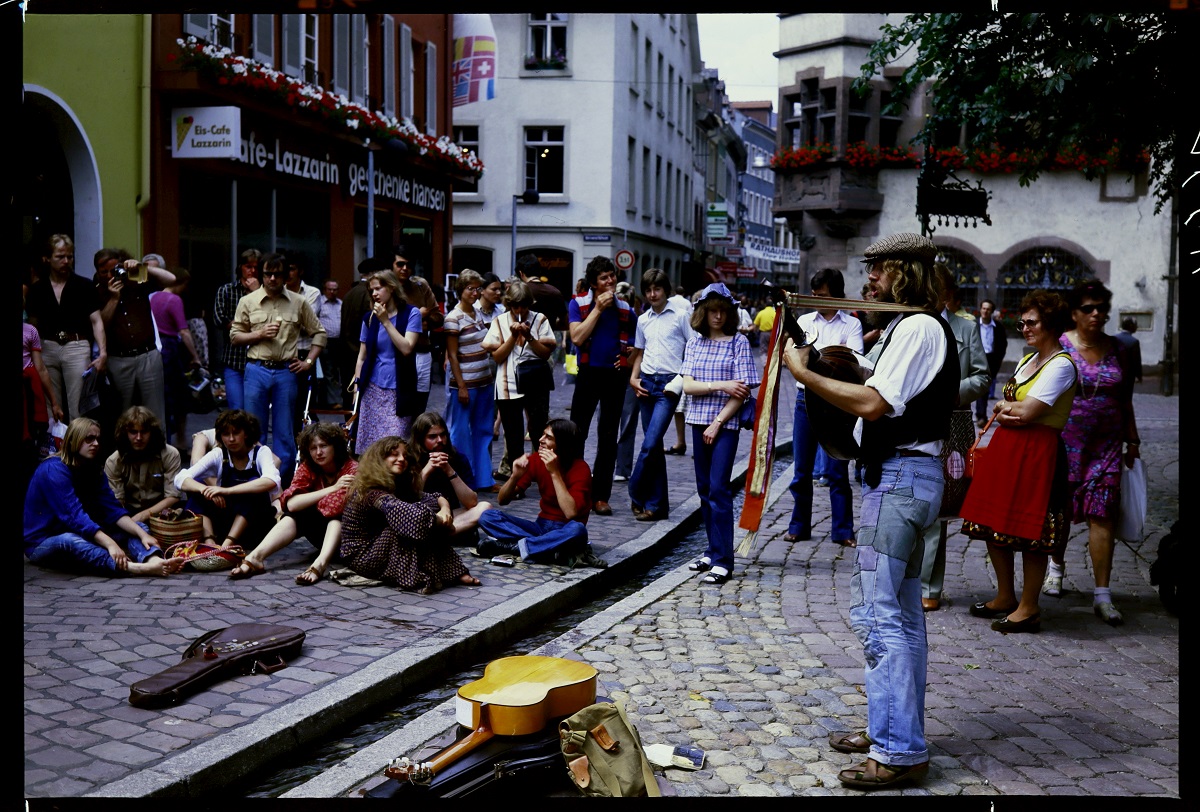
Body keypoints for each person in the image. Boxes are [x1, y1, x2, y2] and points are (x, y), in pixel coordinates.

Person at [783, 232, 956, 790]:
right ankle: (888, 728)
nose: (871, 278)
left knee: (880, 619)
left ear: (905, 272)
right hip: (905, 476)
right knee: (900, 616)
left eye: (879, 269)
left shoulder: (919, 326)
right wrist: (840, 367)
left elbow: (876, 404)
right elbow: (871, 386)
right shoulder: (910, 327)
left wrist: (807, 375)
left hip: (902, 479)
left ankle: (899, 750)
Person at [959, 291, 1077, 633]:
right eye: (1022, 322)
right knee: (994, 523)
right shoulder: (1029, 360)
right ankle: (1005, 596)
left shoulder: (1061, 365)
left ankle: (1029, 607)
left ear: (1051, 324)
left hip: (1039, 454)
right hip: (1007, 450)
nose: (1024, 327)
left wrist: (1009, 411)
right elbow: (1003, 404)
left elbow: (1026, 411)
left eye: (1032, 322)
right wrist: (1010, 411)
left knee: (1032, 531)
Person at [1048, 281, 1141, 626]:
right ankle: (1055, 568)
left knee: (1103, 515)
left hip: (1106, 446)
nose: (1096, 314)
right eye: (1088, 308)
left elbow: (1125, 398)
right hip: (1065, 441)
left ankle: (1102, 594)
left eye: (1101, 307)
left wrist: (1133, 440)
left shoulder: (1120, 349)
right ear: (1074, 313)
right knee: (1060, 511)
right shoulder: (1059, 346)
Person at [24, 417, 183, 577]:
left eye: (97, 439)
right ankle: (132, 567)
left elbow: (113, 510)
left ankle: (153, 560)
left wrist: (143, 535)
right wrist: (110, 543)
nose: (96, 444)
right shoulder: (53, 469)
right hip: (43, 542)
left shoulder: (93, 468)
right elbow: (75, 517)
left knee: (137, 526)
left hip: (83, 531)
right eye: (89, 439)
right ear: (74, 439)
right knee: (69, 540)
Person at [918, 267, 990, 612]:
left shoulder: (965, 327)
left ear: (947, 294)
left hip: (952, 423)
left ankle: (928, 585)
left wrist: (950, 394)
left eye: (937, 288)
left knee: (938, 504)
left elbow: (982, 377)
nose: (931, 294)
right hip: (912, 422)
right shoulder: (910, 325)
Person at [681, 283, 759, 586]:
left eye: (722, 311)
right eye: (712, 310)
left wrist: (717, 421)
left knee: (719, 489)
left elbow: (741, 391)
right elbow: (688, 386)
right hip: (697, 420)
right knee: (704, 489)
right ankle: (712, 550)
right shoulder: (695, 343)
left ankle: (725, 560)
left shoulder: (738, 342)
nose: (717, 316)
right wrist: (720, 385)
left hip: (723, 425)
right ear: (703, 312)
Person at [338, 435, 481, 594]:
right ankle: (424, 576)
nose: (401, 459)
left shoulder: (397, 482)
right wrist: (441, 522)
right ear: (379, 459)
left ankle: (452, 572)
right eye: (394, 454)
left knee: (419, 519)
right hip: (362, 555)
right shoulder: (370, 491)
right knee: (407, 526)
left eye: (405, 456)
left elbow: (433, 497)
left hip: (382, 546)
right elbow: (413, 518)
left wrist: (445, 509)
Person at [785, 268, 864, 547]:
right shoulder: (805, 320)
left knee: (837, 469)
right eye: (815, 295)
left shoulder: (851, 324)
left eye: (823, 296)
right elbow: (792, 359)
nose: (818, 300)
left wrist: (818, 361)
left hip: (836, 404)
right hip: (805, 400)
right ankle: (798, 525)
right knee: (801, 470)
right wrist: (831, 355)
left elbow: (851, 362)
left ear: (837, 296)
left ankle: (843, 530)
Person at [230, 252, 327, 479]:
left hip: (286, 371)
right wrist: (259, 334)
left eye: (277, 274)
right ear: (261, 275)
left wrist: (308, 362)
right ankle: (254, 480)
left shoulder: (298, 301)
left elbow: (320, 334)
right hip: (256, 369)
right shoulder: (248, 301)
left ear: (285, 276)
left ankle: (282, 484)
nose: (272, 279)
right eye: (268, 274)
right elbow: (235, 337)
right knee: (254, 430)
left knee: (285, 432)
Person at [227, 422, 357, 585]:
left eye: (323, 446)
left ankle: (319, 564)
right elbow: (291, 504)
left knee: (335, 518)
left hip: (347, 540)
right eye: (313, 448)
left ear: (336, 447)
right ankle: (255, 557)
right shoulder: (309, 467)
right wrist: (332, 489)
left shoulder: (351, 469)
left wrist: (308, 499)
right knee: (295, 514)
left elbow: (334, 508)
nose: (318, 452)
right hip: (320, 533)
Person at [477, 418, 606, 567]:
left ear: (562, 444)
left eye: (548, 437)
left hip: (565, 530)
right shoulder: (538, 460)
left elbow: (570, 513)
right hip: (540, 528)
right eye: (543, 434)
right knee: (487, 517)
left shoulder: (581, 469)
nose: (540, 439)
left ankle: (516, 548)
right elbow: (502, 500)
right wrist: (515, 476)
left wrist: (554, 473)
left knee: (578, 530)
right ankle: (546, 548)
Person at [567, 256, 636, 516]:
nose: (610, 281)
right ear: (594, 284)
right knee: (577, 432)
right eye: (604, 278)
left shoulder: (625, 308)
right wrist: (597, 309)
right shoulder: (579, 303)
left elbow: (637, 342)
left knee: (608, 436)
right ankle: (576, 491)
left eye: (612, 276)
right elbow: (576, 337)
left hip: (614, 376)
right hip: (588, 372)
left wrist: (628, 356)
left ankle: (601, 496)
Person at [627, 269, 694, 522]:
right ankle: (656, 505)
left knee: (650, 442)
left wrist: (679, 379)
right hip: (645, 384)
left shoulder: (680, 317)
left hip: (668, 386)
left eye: (657, 289)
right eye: (648, 290)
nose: (653, 294)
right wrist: (633, 378)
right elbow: (640, 353)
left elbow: (693, 350)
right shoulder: (643, 319)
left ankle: (635, 490)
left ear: (666, 289)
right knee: (653, 448)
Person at [24, 234, 108, 424]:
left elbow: (97, 321)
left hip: (76, 345)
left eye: (69, 257)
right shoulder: (37, 289)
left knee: (78, 404)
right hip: (47, 346)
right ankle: (55, 447)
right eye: (60, 256)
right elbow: (32, 326)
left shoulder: (84, 285)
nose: (66, 261)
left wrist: (102, 353)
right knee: (50, 403)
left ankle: (78, 448)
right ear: (47, 258)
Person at [482, 279, 556, 486]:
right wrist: (513, 337)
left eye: (524, 305)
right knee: (513, 435)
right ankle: (518, 481)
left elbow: (545, 353)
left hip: (535, 383)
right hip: (508, 384)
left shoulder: (540, 319)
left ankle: (543, 476)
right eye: (515, 305)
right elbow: (497, 357)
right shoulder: (500, 321)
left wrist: (530, 337)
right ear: (509, 304)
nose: (520, 309)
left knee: (538, 431)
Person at [174, 409, 281, 549]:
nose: (231, 439)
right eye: (226, 434)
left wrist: (227, 491)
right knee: (197, 487)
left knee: (254, 484)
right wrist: (206, 490)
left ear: (246, 434)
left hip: (253, 524)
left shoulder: (261, 452)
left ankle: (226, 545)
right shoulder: (219, 454)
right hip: (226, 518)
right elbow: (181, 478)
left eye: (236, 433)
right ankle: (210, 542)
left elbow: (271, 480)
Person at [350, 269, 423, 447]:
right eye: (371, 290)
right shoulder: (369, 318)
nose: (374, 293)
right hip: (373, 388)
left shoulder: (411, 313)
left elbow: (406, 348)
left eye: (378, 288)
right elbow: (362, 357)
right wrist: (356, 388)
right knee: (371, 445)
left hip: (399, 389)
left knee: (397, 442)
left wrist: (386, 321)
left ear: (391, 288)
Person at [443, 270, 496, 492]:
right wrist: (461, 385)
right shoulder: (453, 318)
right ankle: (464, 478)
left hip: (484, 380)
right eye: (470, 289)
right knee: (460, 432)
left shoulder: (477, 313)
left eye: (477, 288)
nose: (475, 293)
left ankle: (484, 479)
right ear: (460, 291)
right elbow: (452, 355)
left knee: (483, 430)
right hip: (465, 384)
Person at [410, 411, 492, 540]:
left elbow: (471, 502)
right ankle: (446, 535)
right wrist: (426, 470)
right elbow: (407, 498)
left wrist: (449, 471)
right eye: (432, 437)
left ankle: (435, 536)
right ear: (420, 439)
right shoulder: (410, 460)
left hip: (449, 516)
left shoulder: (458, 458)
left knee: (485, 508)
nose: (440, 440)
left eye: (443, 435)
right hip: (418, 515)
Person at [149, 266, 204, 445]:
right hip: (170, 349)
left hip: (155, 348)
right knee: (179, 398)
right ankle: (179, 441)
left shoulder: (153, 296)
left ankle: (165, 439)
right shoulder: (174, 300)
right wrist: (195, 356)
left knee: (162, 397)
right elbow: (184, 331)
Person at [104, 406, 185, 524]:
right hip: (128, 514)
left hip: (163, 513)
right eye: (133, 432)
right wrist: (130, 524)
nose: (139, 438)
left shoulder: (169, 454)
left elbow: (173, 496)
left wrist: (143, 516)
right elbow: (117, 502)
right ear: (125, 433)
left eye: (144, 432)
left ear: (152, 432)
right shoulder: (114, 461)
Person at [392, 245, 444, 416]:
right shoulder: (387, 289)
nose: (405, 269)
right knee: (399, 407)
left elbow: (438, 317)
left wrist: (425, 319)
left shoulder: (420, 286)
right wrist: (416, 317)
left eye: (408, 265)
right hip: (397, 355)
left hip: (422, 352)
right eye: (400, 264)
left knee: (420, 406)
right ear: (392, 266)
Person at [212, 249, 263, 410]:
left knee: (255, 409)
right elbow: (219, 319)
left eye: (256, 267)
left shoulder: (265, 292)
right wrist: (249, 324)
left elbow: (269, 318)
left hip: (259, 360)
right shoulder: (227, 290)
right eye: (248, 266)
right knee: (237, 408)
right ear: (240, 267)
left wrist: (256, 292)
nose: (252, 271)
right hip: (234, 359)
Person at [613, 281, 643, 483]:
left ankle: (623, 468)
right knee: (606, 422)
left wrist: (633, 350)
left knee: (628, 421)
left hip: (632, 373)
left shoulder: (637, 320)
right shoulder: (610, 317)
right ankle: (606, 464)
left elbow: (642, 344)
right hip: (611, 373)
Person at [516, 253, 569, 362]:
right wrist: (550, 325)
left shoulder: (518, 292)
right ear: (539, 271)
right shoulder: (555, 292)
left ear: (521, 274)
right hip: (546, 348)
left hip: (521, 349)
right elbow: (565, 323)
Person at [973, 299, 1009, 428]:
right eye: (983, 308)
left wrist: (998, 360)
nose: (985, 311)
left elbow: (1003, 345)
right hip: (977, 359)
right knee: (981, 388)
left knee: (986, 389)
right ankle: (981, 415)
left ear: (992, 311)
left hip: (991, 360)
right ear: (980, 309)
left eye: (988, 309)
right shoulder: (974, 325)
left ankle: (981, 414)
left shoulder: (998, 327)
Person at [315, 278, 344, 408]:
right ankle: (329, 401)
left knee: (336, 372)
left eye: (335, 289)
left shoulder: (341, 303)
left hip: (338, 342)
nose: (332, 292)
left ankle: (334, 400)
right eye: (329, 289)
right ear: (324, 289)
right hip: (324, 341)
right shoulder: (319, 303)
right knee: (327, 372)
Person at [1113, 316, 1143, 384]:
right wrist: (1139, 376)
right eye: (1135, 325)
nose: (1136, 327)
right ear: (1131, 326)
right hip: (1128, 376)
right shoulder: (1134, 341)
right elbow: (1136, 361)